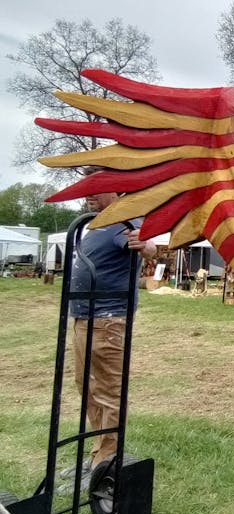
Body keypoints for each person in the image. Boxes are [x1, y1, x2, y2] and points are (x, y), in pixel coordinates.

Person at [66, 174, 156, 481]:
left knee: (109, 391)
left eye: (95, 189)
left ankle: (106, 465)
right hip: (83, 317)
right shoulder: (96, 223)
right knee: (87, 387)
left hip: (108, 320)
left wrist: (145, 244)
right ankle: (97, 454)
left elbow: (148, 246)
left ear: (116, 190)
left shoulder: (124, 220)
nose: (88, 195)